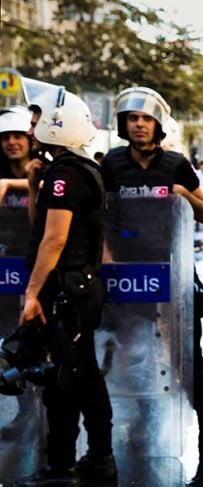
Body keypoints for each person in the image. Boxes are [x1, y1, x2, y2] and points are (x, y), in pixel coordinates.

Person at [100, 86, 203, 458]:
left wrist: (180, 193)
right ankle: (140, 421)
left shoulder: (176, 164)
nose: (140, 125)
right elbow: (102, 218)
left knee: (186, 354)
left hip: (172, 273)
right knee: (129, 354)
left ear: (158, 125)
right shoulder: (111, 163)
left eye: (147, 120)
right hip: (126, 275)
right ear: (124, 124)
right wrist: (107, 262)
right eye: (133, 119)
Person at [15, 87, 115, 486]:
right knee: (83, 373)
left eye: (38, 118)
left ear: (59, 123)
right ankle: (100, 458)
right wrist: (34, 183)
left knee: (64, 381)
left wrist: (32, 293)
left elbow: (54, 240)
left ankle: (62, 468)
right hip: (76, 289)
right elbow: (42, 228)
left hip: (66, 292)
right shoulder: (67, 169)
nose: (31, 126)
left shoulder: (67, 173)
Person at [0, 105, 36, 441]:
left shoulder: (44, 170)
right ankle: (22, 413)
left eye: (18, 136)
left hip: (35, 273)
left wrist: (10, 184)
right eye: (5, 137)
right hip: (3, 274)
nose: (12, 142)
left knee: (35, 347)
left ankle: (39, 417)